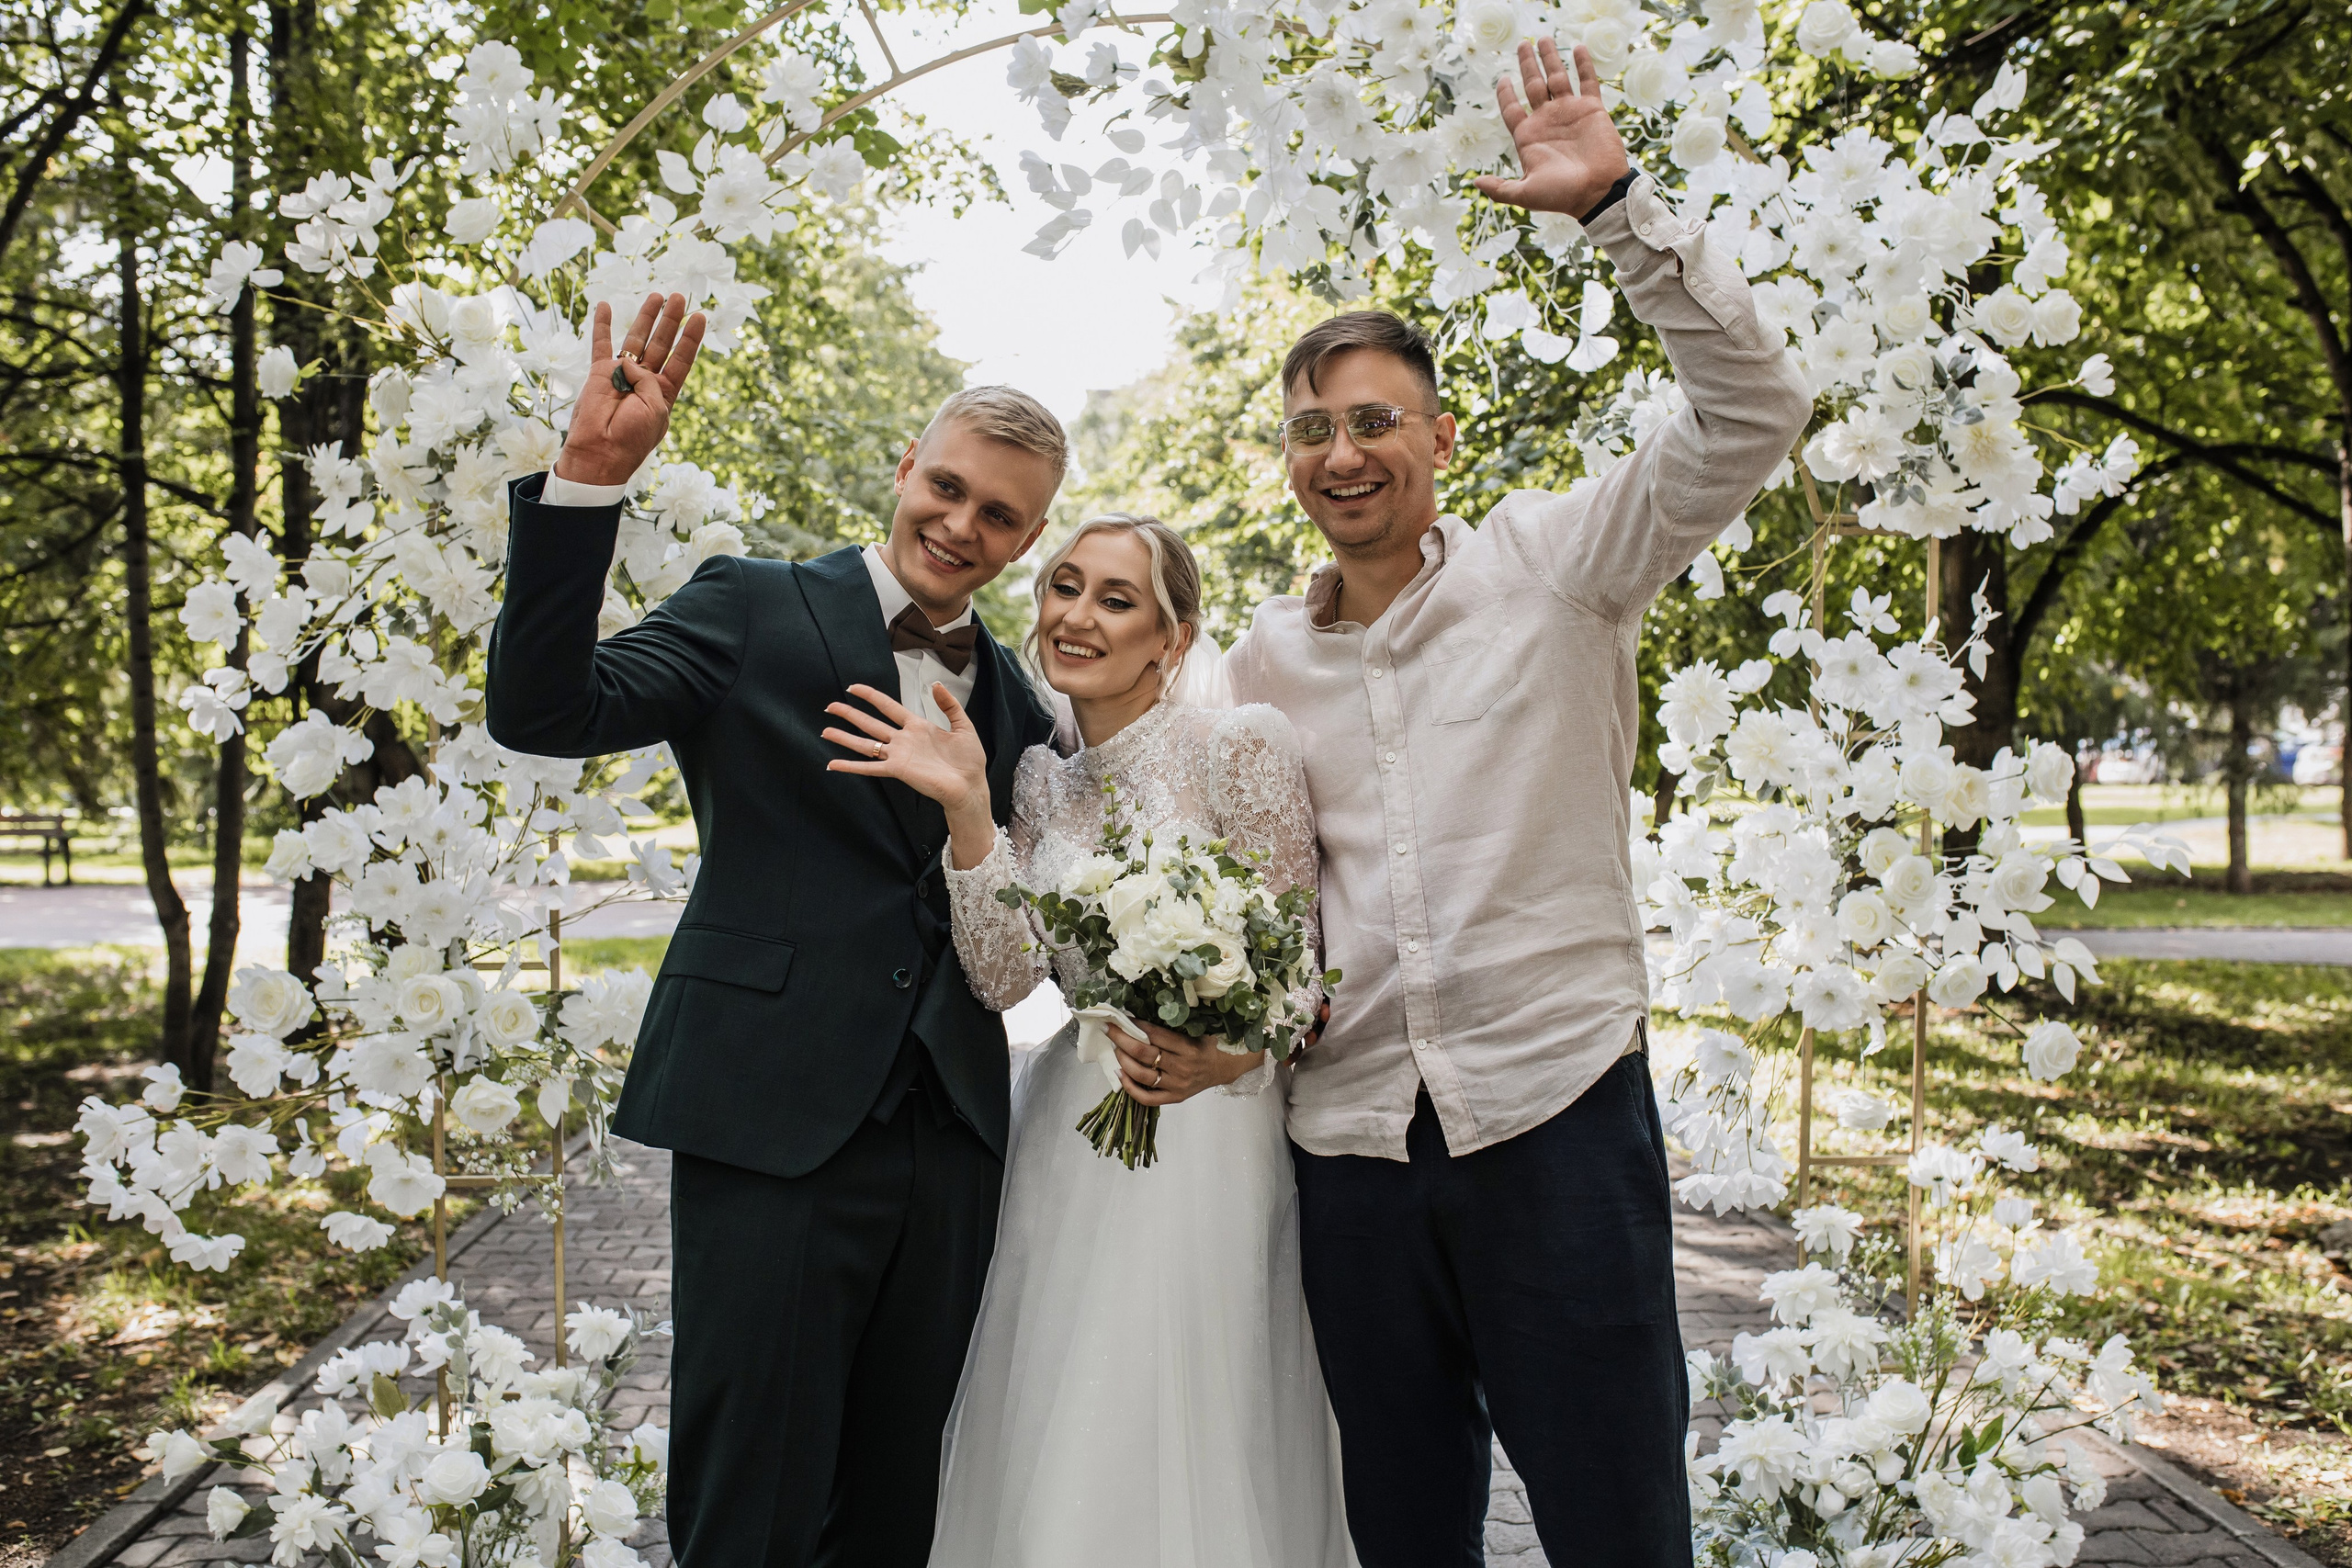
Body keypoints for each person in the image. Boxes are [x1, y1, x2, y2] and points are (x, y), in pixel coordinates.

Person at [1222, 39, 1815, 1568]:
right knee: (1404, 1532)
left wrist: (1618, 208)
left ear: (1440, 437)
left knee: (1620, 1526)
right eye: (1311, 428)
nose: (1343, 452)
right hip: (1351, 1148)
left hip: (1555, 1117)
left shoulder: (1562, 565)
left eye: (1374, 420)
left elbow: (1754, 410)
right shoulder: (1261, 663)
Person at [482, 293, 1068, 1568]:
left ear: (1029, 538)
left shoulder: (1022, 701)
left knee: (893, 1500)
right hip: (771, 1116)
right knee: (752, 1496)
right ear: (904, 467)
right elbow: (544, 709)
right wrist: (588, 480)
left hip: (952, 1136)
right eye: (948, 487)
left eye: (999, 515)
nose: (961, 526)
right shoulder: (751, 604)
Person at [825, 514, 1351, 1568]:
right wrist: (968, 811)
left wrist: (1228, 1058)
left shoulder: (1241, 745)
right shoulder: (1036, 777)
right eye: (1064, 586)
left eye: (1116, 599)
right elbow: (1005, 977)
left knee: (1187, 1405)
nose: (1077, 615)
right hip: (1070, 1125)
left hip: (1210, 1131)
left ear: (1172, 638)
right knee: (1060, 1406)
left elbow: (1302, 967)